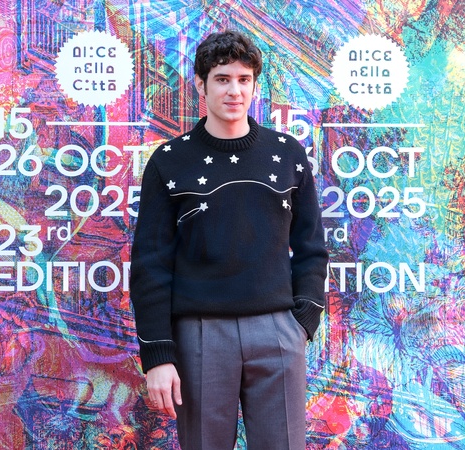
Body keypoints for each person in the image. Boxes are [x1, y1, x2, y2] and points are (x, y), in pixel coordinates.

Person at [129, 30, 328, 449]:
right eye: (222, 79)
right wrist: (158, 355)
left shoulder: (287, 153)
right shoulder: (169, 161)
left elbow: (311, 247)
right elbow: (150, 265)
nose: (234, 91)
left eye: (243, 79)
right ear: (200, 85)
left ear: (254, 85)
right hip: (200, 336)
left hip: (278, 332)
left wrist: (303, 322)